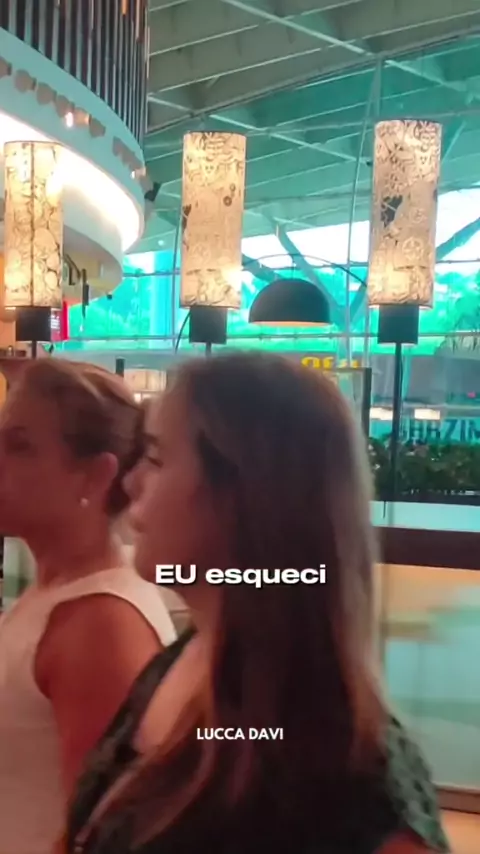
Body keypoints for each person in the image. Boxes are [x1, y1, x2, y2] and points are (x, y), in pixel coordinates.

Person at [66, 352, 450, 854]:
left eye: (156, 459)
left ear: (241, 493)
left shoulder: (347, 769)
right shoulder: (180, 661)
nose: (130, 482)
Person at [0, 358, 176, 854]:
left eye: (19, 446)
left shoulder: (100, 624)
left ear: (95, 476)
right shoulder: (56, 593)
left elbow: (98, 834)